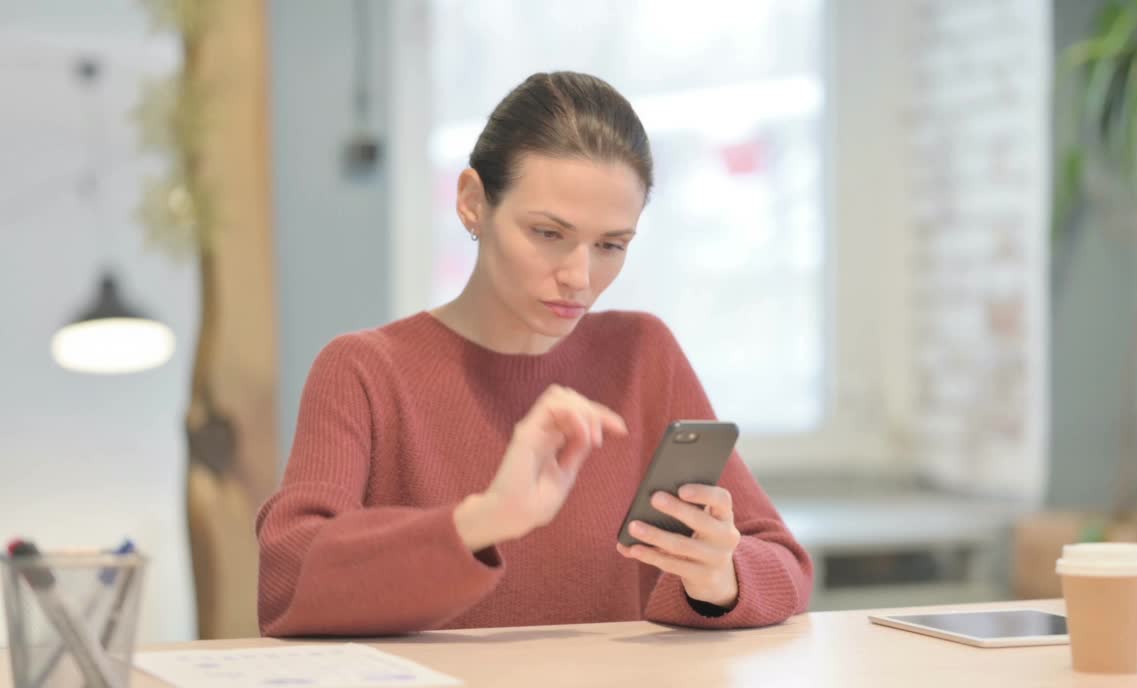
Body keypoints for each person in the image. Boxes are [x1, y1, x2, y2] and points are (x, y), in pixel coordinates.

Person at [256, 71, 813, 637]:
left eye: (610, 245)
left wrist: (719, 580)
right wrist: (486, 518)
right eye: (548, 233)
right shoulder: (364, 371)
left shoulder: (644, 355)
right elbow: (287, 581)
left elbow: (784, 562)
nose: (579, 276)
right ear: (473, 203)